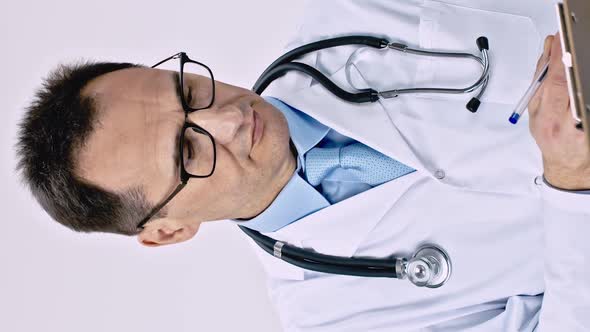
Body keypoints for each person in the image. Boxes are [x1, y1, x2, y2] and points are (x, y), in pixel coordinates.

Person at [16, 1, 590, 331]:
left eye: (190, 92)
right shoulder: (334, 316)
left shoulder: (350, 14)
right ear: (168, 230)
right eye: (189, 152)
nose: (230, 119)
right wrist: (571, 189)